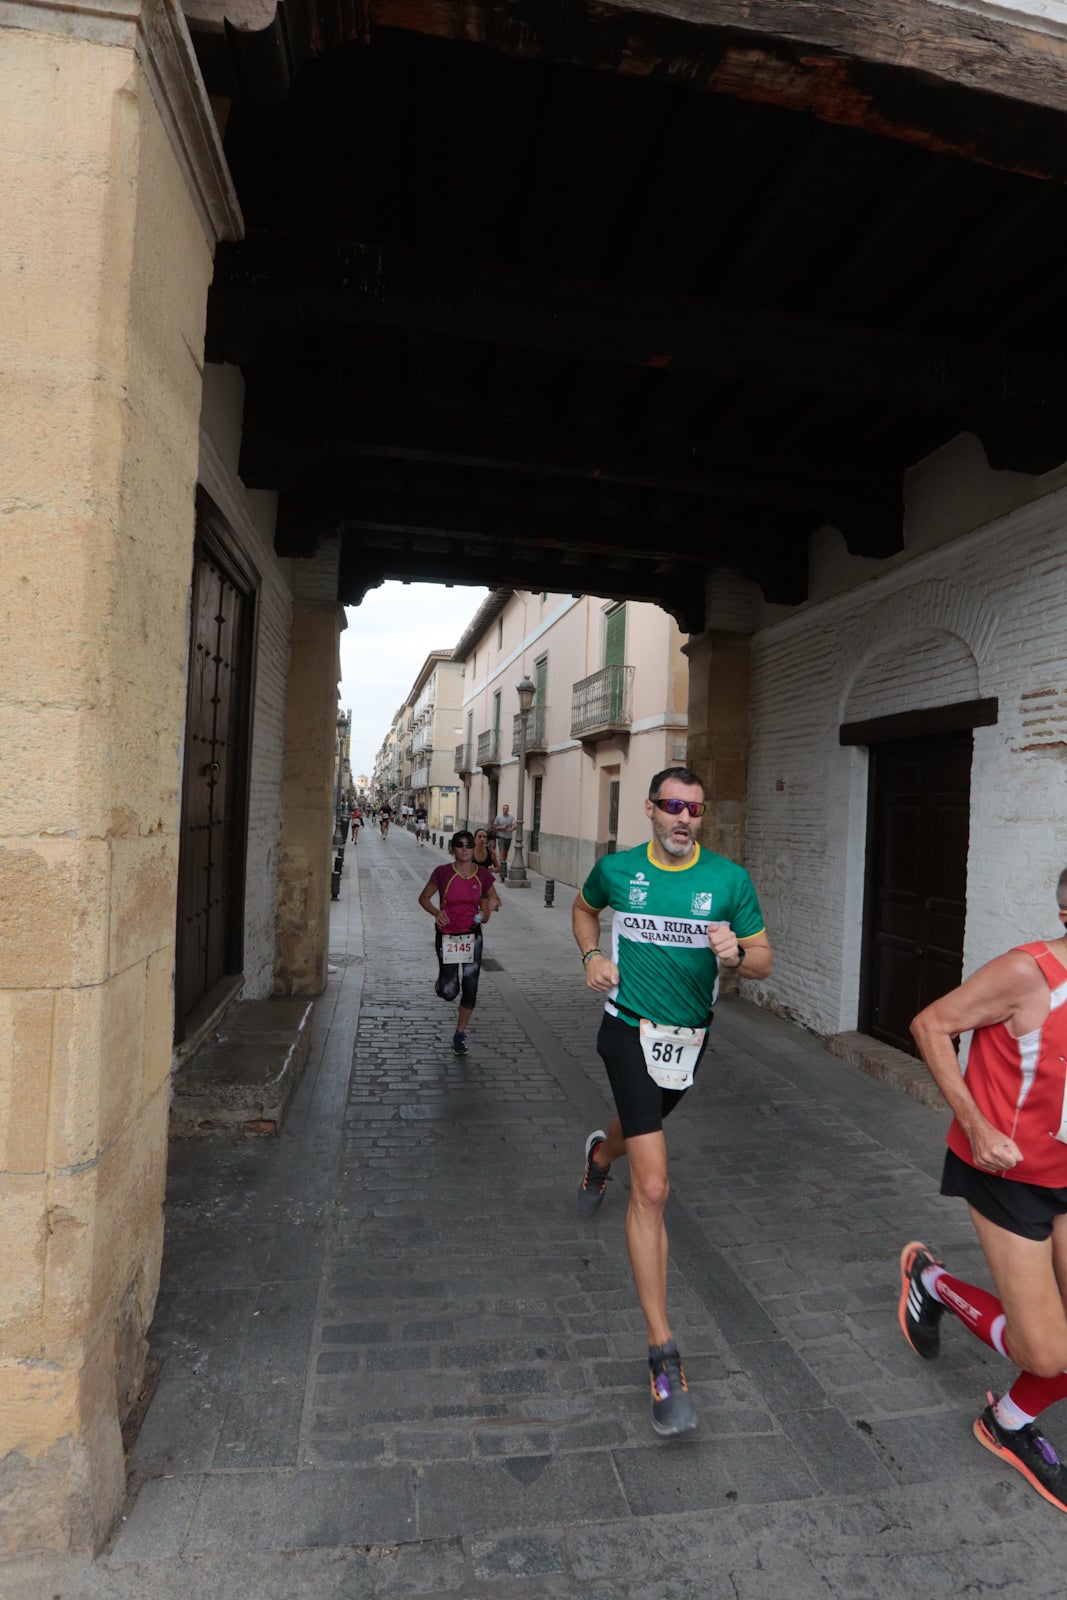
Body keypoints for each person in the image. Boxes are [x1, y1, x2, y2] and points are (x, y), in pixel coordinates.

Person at [572, 766, 773, 1436]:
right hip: (626, 1030)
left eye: (695, 809)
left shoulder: (728, 881)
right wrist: (590, 957)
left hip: (687, 1044)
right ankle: (662, 1354)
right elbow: (583, 909)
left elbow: (765, 959)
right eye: (673, 806)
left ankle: (600, 1155)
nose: (684, 818)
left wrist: (736, 953)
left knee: (640, 1131)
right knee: (653, 1187)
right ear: (651, 810)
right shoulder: (618, 870)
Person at [898, 867, 1067, 1514]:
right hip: (1008, 1176)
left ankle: (1008, 1422)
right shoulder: (1027, 974)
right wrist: (976, 1125)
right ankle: (931, 1282)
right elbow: (929, 1024)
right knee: (1045, 1352)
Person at [418, 830, 495, 1057]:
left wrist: (492, 905)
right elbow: (423, 898)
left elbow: (493, 898)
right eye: (460, 844)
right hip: (447, 937)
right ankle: (443, 982)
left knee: (471, 986)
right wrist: (436, 912)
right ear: (453, 849)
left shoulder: (482, 875)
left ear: (473, 848)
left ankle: (459, 1034)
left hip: (472, 937)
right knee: (450, 991)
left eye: (468, 844)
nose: (464, 848)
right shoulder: (442, 873)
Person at [493, 803, 516, 880]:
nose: (505, 809)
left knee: (505, 853)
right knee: (502, 851)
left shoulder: (511, 817)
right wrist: (501, 827)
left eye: (506, 808)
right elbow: (495, 826)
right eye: (504, 808)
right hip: (501, 837)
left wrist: (512, 829)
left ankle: (502, 864)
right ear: (502, 809)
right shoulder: (498, 817)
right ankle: (501, 868)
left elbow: (514, 825)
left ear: (508, 810)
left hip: (508, 838)